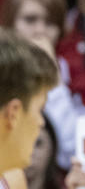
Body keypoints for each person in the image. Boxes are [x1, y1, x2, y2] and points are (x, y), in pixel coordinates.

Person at [0, 0, 85, 171]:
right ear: (9, 23)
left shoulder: (77, 73)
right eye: (30, 20)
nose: (40, 31)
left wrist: (53, 80)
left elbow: (73, 152)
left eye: (50, 23)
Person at [0, 29, 58, 175]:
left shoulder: (12, 177)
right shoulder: (13, 179)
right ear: (13, 113)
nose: (41, 122)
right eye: (39, 110)